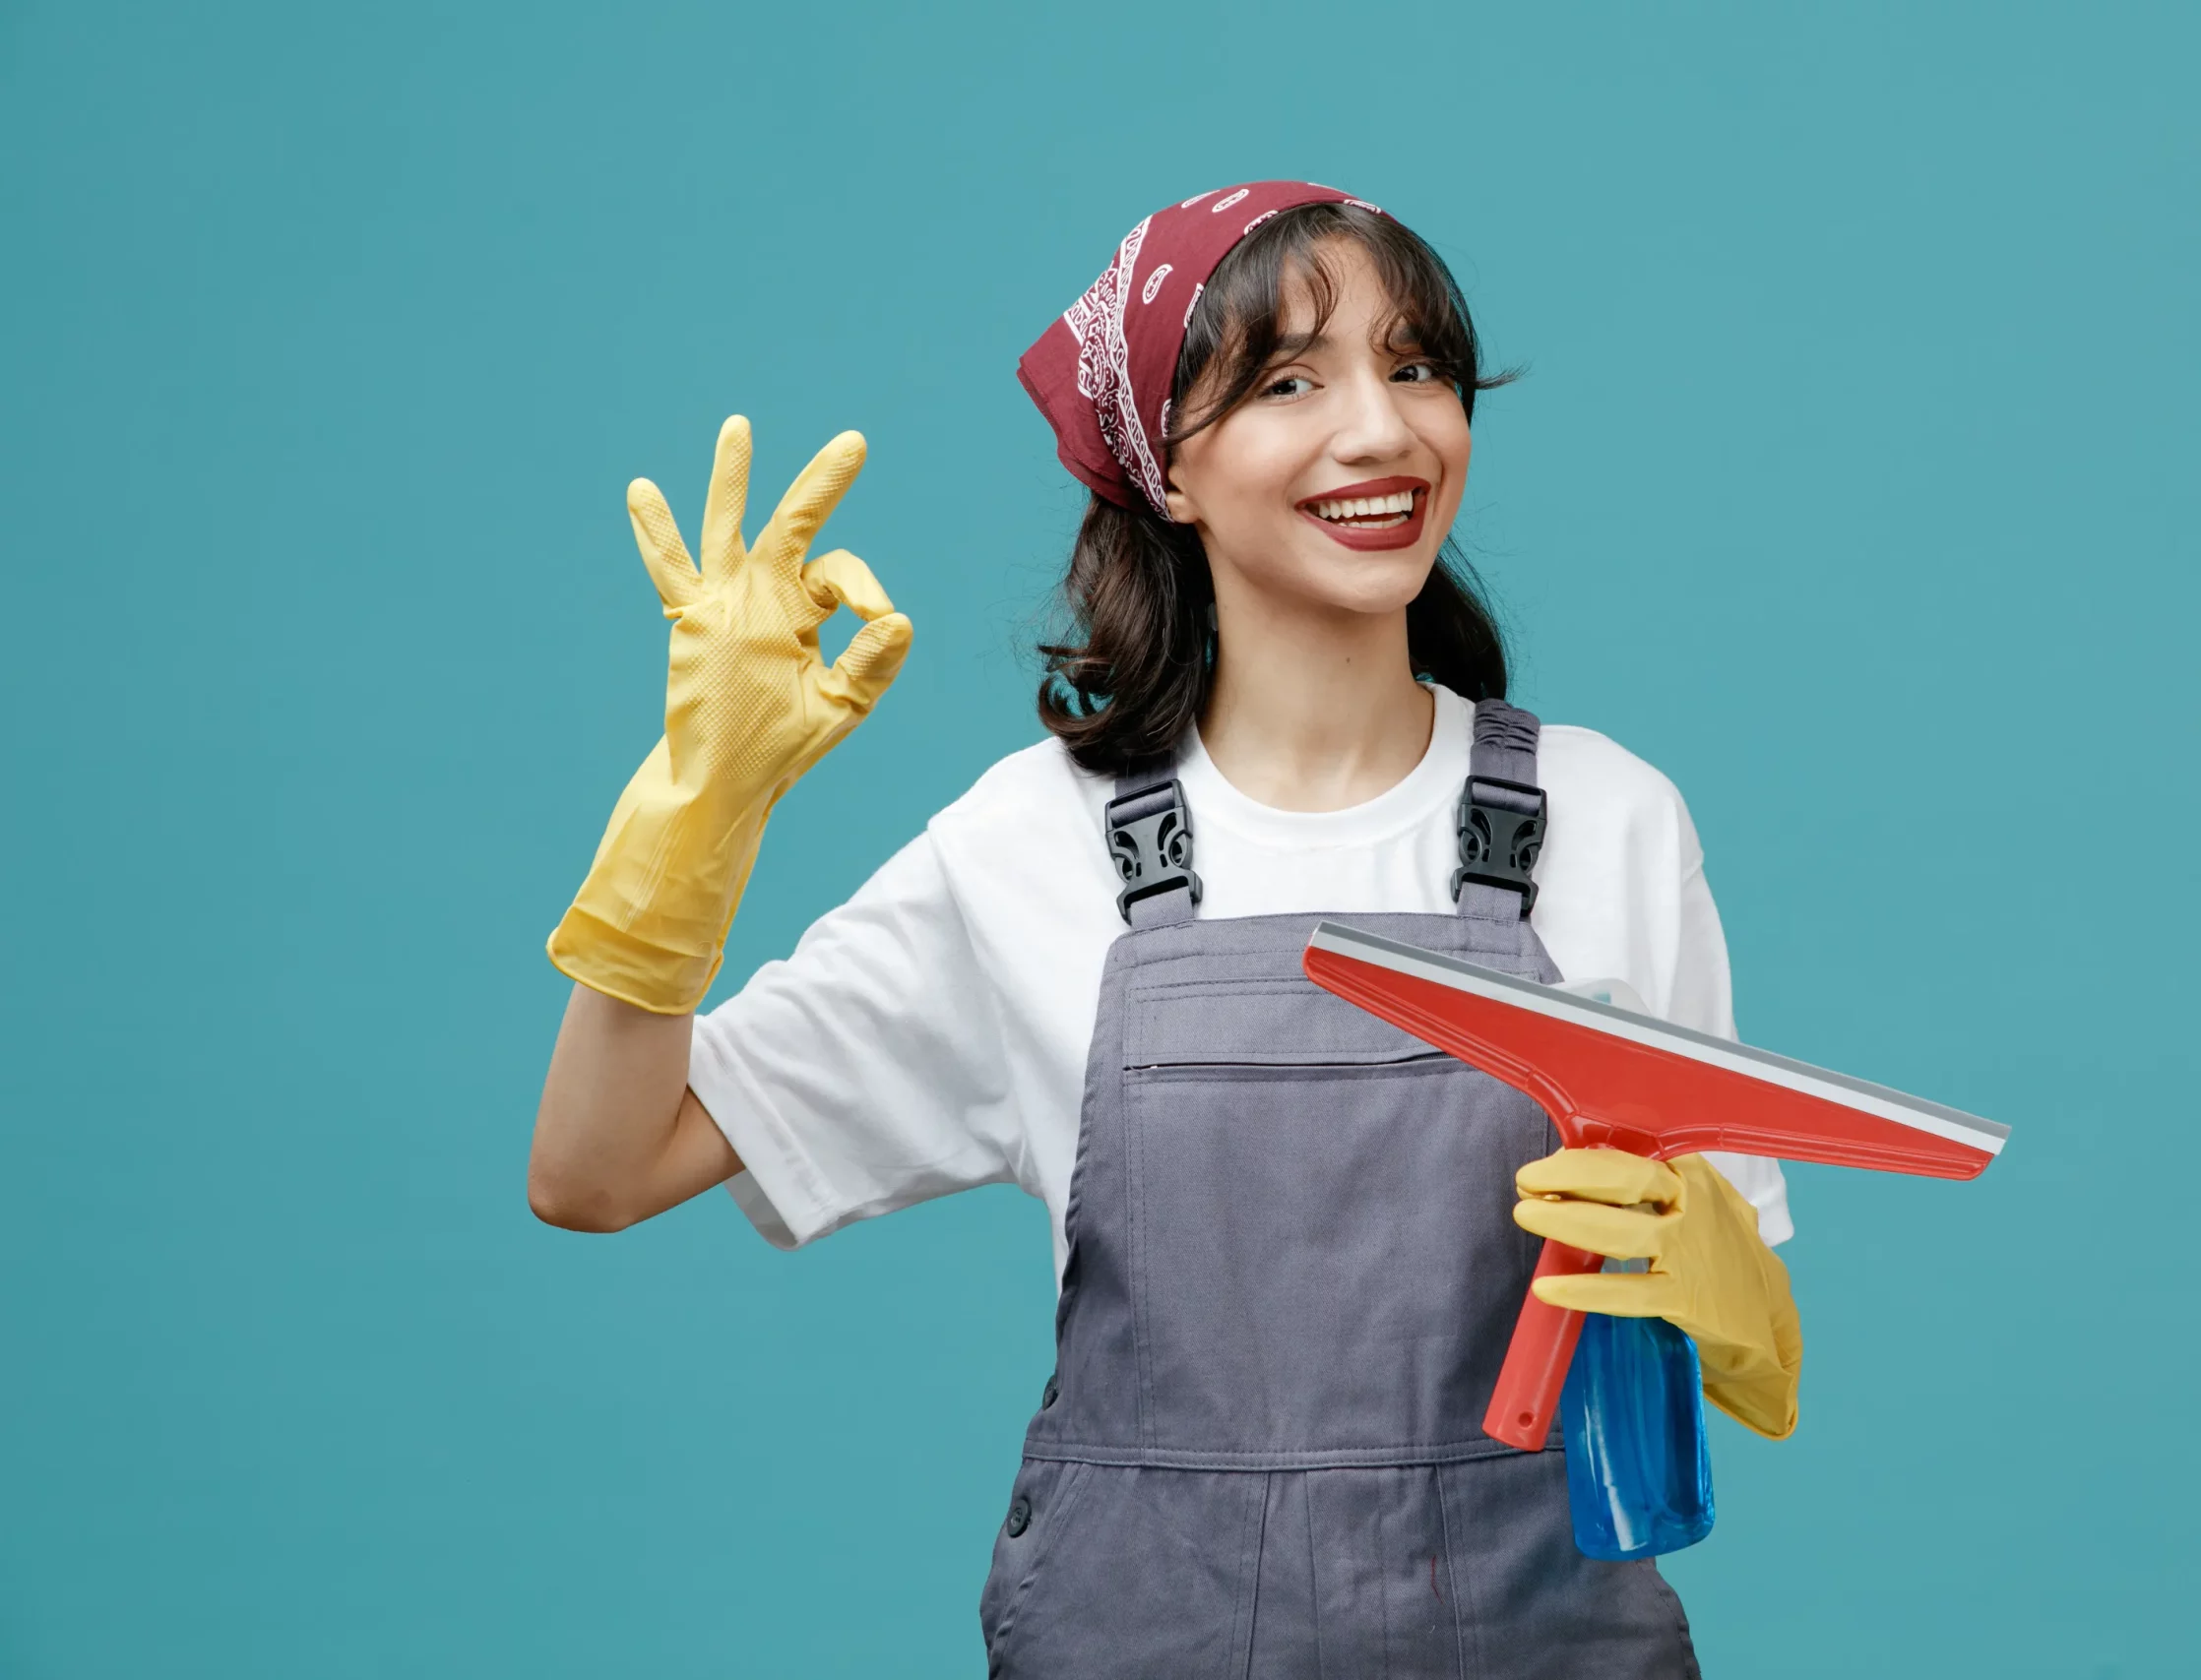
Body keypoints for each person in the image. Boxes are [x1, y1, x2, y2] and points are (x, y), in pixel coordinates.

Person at [530, 181, 1802, 1676]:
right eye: (1287, 382)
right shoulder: (1032, 845)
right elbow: (597, 1170)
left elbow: (1764, 1366)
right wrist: (692, 836)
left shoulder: (1610, 818)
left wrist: (1723, 1283)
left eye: (1417, 368)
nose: (1383, 430)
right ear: (1169, 467)